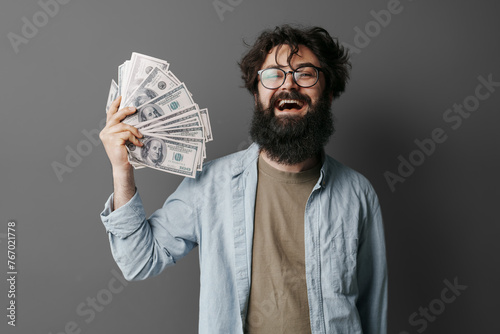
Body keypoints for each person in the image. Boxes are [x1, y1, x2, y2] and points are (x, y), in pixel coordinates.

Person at [99, 24, 387, 334]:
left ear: (328, 94)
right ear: (256, 94)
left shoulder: (358, 193)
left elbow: (372, 307)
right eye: (273, 75)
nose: (288, 86)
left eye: (305, 74)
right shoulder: (209, 186)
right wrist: (122, 170)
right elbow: (138, 261)